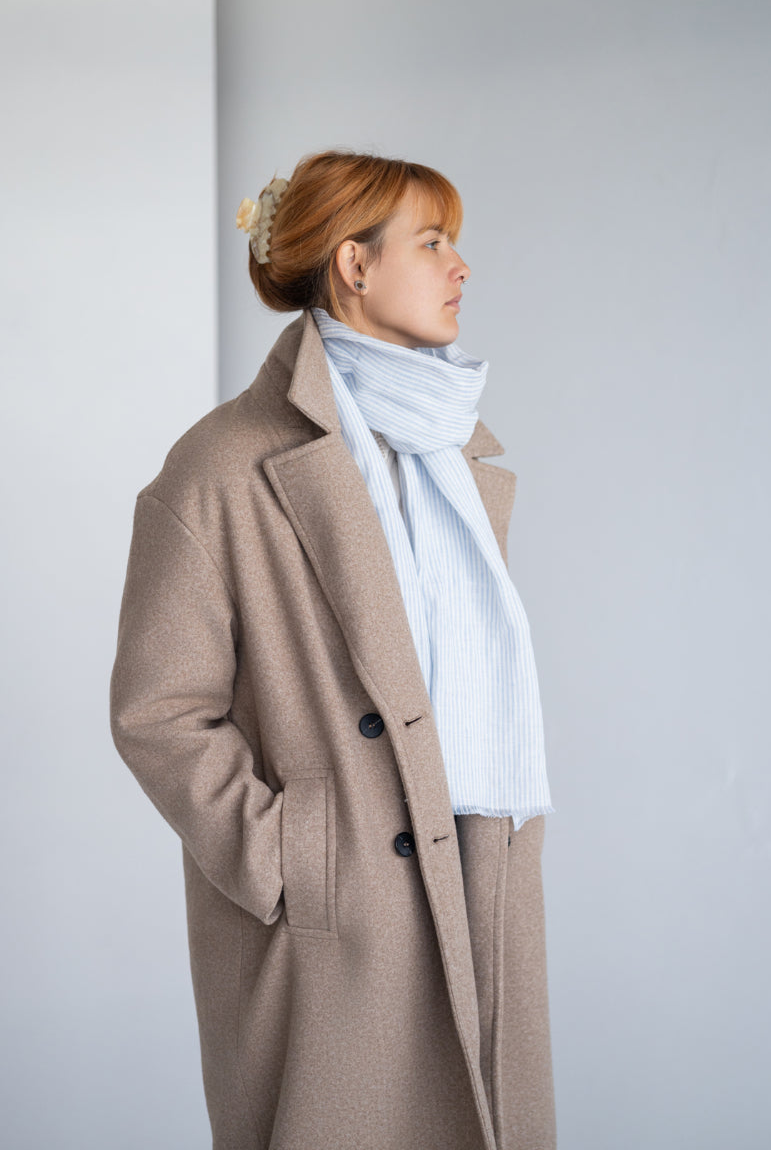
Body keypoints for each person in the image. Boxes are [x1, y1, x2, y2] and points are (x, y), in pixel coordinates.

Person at [110, 149, 556, 1150]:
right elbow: (158, 710)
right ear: (354, 265)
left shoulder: (443, 452)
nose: (461, 267)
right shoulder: (221, 466)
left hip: (476, 867)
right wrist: (291, 859)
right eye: (432, 242)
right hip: (333, 920)